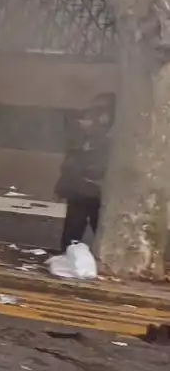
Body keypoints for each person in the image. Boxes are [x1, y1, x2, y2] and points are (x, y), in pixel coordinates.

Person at [54, 93, 115, 253]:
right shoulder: (83, 135)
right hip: (81, 190)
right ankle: (70, 256)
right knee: (73, 229)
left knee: (98, 227)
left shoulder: (110, 136)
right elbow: (71, 162)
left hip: (96, 191)